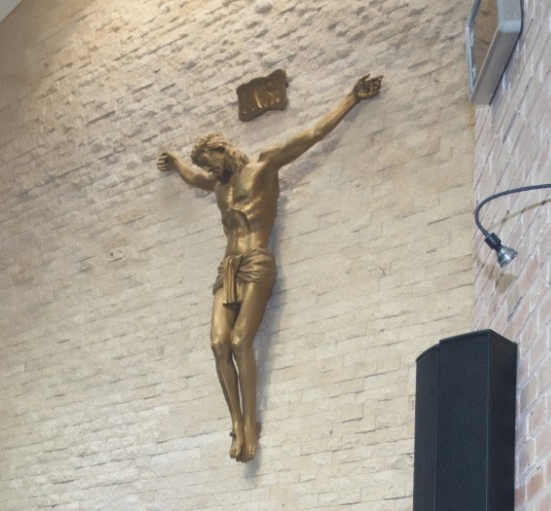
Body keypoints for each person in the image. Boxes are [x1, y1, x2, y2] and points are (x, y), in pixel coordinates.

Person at [157, 74, 383, 463]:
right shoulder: (218, 186)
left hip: (257, 261)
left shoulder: (263, 166)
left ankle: (250, 424)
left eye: (209, 161)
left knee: (240, 341)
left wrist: (352, 98)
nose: (208, 170)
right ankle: (235, 420)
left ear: (222, 149)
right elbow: (194, 180)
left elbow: (312, 135)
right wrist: (176, 162)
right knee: (217, 344)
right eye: (204, 166)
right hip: (228, 268)